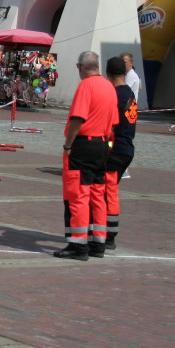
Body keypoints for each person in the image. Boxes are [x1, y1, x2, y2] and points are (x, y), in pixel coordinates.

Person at [55, 51, 118, 261]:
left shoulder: (86, 86)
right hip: (102, 143)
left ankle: (78, 244)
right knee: (98, 194)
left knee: (79, 196)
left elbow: (77, 118)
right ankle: (98, 242)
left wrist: (68, 145)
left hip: (84, 144)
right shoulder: (109, 86)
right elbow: (113, 122)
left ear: (80, 67)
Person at [103, 56, 136, 251]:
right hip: (127, 148)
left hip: (114, 147)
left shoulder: (115, 95)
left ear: (108, 74)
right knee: (111, 190)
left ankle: (108, 235)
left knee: (108, 191)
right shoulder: (129, 93)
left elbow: (109, 125)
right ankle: (107, 232)